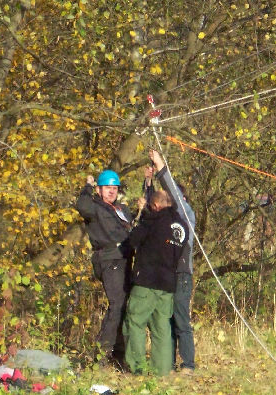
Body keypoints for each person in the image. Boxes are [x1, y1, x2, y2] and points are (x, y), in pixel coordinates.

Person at [122, 189, 188, 376]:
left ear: (156, 206)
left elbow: (133, 240)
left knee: (135, 323)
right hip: (168, 284)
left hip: (147, 281)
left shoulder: (152, 220)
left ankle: (138, 368)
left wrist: (142, 215)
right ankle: (162, 371)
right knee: (162, 328)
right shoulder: (182, 225)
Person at [76, 169, 137, 365]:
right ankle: (101, 354)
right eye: (108, 188)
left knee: (124, 305)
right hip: (109, 259)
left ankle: (119, 353)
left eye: (114, 188)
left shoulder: (121, 209)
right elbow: (81, 206)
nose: (111, 191)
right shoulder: (95, 207)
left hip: (125, 258)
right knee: (117, 304)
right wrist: (88, 186)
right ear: (100, 190)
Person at [144, 149, 196, 374]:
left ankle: (188, 364)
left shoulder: (187, 216)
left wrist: (161, 166)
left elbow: (171, 194)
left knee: (181, 320)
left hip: (182, 275)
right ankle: (170, 363)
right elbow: (152, 210)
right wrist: (148, 183)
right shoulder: (167, 219)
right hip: (167, 275)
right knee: (167, 321)